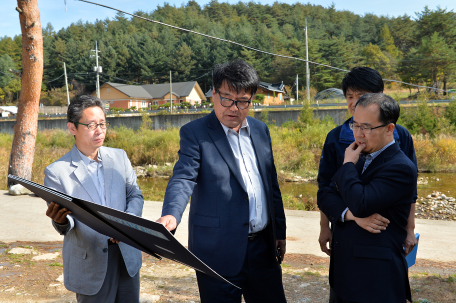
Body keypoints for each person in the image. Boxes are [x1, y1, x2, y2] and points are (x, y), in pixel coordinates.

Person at [156, 60, 287, 303]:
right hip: (217, 251)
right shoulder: (195, 133)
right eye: (227, 98)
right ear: (213, 94)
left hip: (262, 249)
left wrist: (279, 231)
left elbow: (271, 184)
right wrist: (171, 214)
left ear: (252, 99)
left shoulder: (260, 130)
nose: (234, 108)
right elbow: (184, 176)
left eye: (243, 101)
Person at [318, 93, 417, 302]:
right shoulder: (361, 156)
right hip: (345, 273)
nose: (358, 134)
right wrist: (352, 216)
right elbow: (325, 196)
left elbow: (361, 203)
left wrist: (346, 165)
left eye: (367, 127)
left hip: (376, 277)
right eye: (355, 125)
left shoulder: (400, 167)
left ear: (390, 128)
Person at [44, 95, 144, 302]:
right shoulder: (57, 172)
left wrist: (126, 223)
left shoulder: (119, 157)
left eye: (102, 124)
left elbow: (134, 194)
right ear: (72, 128)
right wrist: (60, 221)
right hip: (90, 261)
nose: (99, 130)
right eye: (91, 125)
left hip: (126, 254)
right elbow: (65, 221)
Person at [318, 67, 417, 259]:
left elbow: (410, 189)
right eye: (349, 96)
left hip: (385, 236)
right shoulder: (336, 137)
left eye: (362, 96)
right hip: (344, 229)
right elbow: (325, 186)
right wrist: (325, 226)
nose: (355, 103)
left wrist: (410, 229)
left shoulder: (400, 136)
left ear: (380, 96)